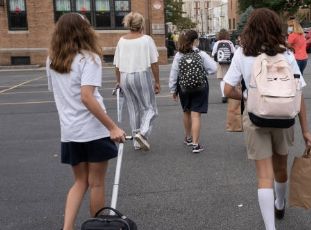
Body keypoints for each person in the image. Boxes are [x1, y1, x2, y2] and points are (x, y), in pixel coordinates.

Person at [223, 8, 311, 230]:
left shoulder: (242, 53)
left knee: (264, 175)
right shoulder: (286, 55)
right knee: (280, 168)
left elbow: (227, 89)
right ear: (276, 28)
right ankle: (280, 202)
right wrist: (306, 131)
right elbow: (299, 94)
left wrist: (246, 94)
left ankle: (270, 228)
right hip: (284, 117)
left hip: (256, 118)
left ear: (251, 28)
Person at [46, 13, 126, 230]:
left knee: (80, 182)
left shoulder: (52, 60)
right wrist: (113, 127)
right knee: (97, 183)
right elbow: (87, 96)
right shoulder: (89, 58)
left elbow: (59, 94)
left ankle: (67, 228)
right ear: (84, 31)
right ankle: (98, 226)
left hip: (70, 131)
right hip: (93, 131)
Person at [113, 12, 160, 151]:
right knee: (150, 108)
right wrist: (157, 81)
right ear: (141, 25)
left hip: (125, 76)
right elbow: (154, 63)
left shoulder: (121, 40)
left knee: (133, 109)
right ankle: (142, 133)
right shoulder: (146, 39)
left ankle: (136, 141)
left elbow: (116, 65)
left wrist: (119, 81)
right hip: (141, 74)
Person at [169, 30, 217, 153]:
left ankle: (188, 138)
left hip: (183, 87)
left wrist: (173, 90)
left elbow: (174, 73)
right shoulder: (201, 54)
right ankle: (196, 144)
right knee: (196, 115)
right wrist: (203, 72)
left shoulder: (178, 56)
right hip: (200, 87)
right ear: (195, 41)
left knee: (186, 112)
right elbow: (213, 68)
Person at [211, 29, 236, 103]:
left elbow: (213, 54)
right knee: (229, 79)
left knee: (222, 80)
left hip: (220, 63)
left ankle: (223, 95)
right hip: (229, 63)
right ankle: (229, 94)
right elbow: (233, 52)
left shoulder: (217, 43)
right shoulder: (230, 43)